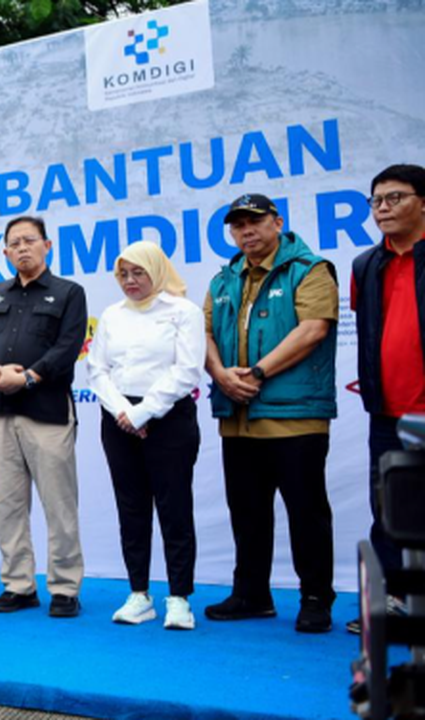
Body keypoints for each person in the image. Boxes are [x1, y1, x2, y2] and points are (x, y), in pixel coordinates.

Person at [204, 193, 338, 634]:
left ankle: (316, 597)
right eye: (238, 225)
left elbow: (314, 329)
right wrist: (222, 374)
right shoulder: (224, 279)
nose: (246, 232)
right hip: (236, 417)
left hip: (294, 415)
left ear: (277, 222)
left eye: (255, 222)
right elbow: (202, 332)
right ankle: (251, 594)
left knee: (306, 512)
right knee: (246, 512)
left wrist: (257, 372)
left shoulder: (310, 269)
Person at [0, 215, 87, 619]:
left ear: (47, 245)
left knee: (59, 504)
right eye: (14, 243)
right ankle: (19, 584)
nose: (22, 248)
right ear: (4, 251)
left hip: (47, 411)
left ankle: (65, 587)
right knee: (7, 504)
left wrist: (30, 377)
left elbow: (69, 346)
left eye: (29, 241)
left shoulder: (69, 292)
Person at [87, 241, 203, 630]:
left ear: (157, 270)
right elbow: (97, 370)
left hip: (168, 419)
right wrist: (124, 411)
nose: (130, 281)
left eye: (139, 272)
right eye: (124, 274)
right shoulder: (112, 315)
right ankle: (139, 594)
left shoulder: (182, 311)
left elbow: (187, 371)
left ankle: (179, 598)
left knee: (174, 508)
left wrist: (142, 411)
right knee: (131, 508)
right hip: (118, 420)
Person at [347, 164, 425, 633]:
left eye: (394, 198)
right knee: (392, 511)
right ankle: (397, 599)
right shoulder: (366, 265)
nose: (382, 208)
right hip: (389, 413)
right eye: (376, 201)